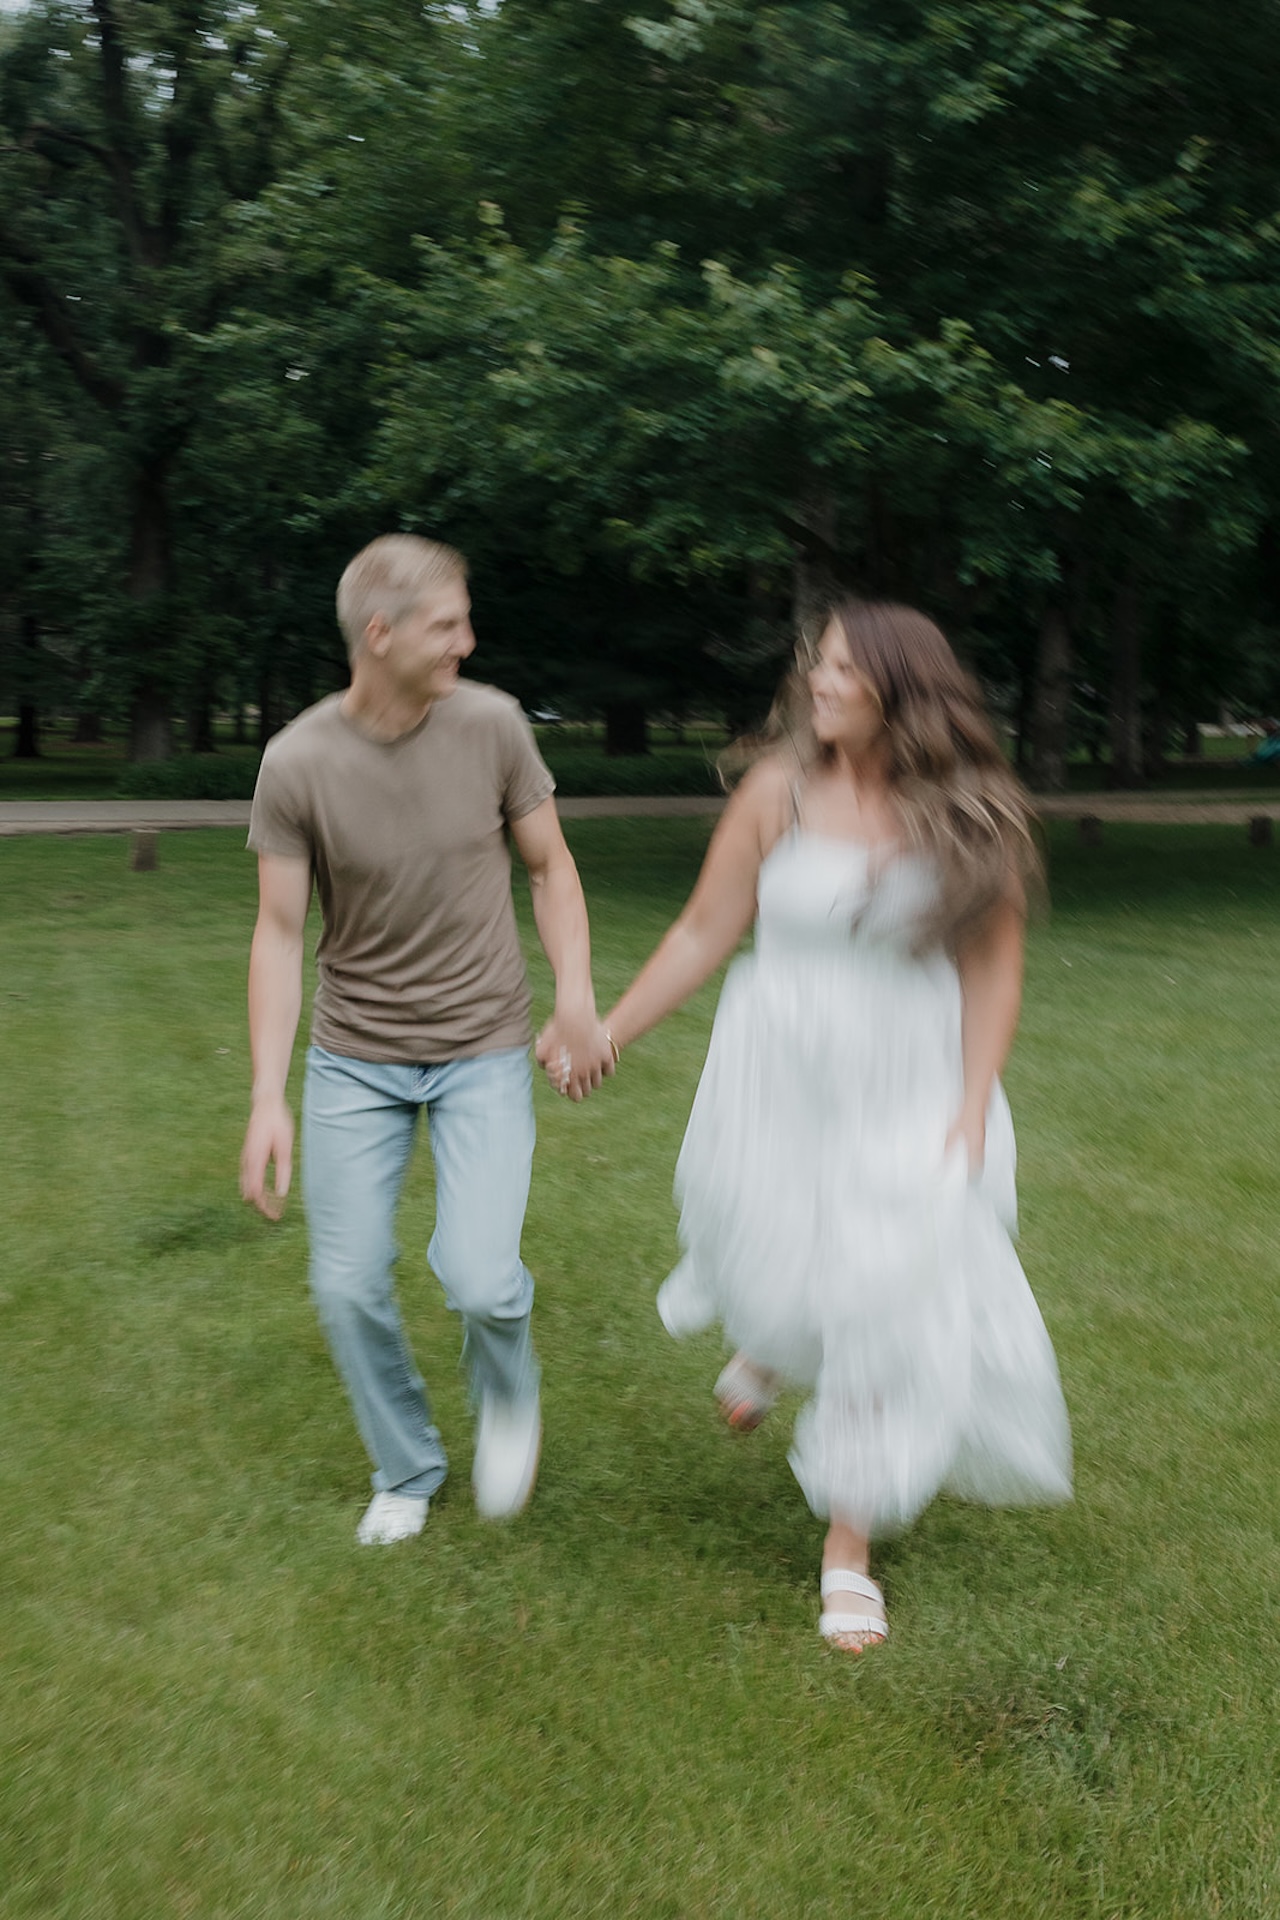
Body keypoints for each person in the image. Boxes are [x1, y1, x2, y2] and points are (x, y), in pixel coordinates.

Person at [585, 600, 1072, 1650]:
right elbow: (705, 927)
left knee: (883, 1291)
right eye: (820, 665)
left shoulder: (969, 812)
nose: (818, 681)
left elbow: (993, 972)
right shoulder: (777, 791)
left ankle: (845, 1548)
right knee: (771, 1242)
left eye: (844, 670)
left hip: (911, 1075)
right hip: (781, 1065)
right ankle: (765, 1347)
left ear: (900, 689)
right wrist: (610, 1029)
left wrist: (972, 1102)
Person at [240, 534, 614, 1544]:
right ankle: (404, 1464)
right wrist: (268, 1096)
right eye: (447, 624)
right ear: (380, 633)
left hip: (480, 1046)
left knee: (482, 1276)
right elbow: (278, 935)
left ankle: (506, 1394)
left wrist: (574, 995)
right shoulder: (298, 761)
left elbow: (550, 870)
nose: (467, 640)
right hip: (353, 1055)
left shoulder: (491, 727)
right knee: (345, 1283)